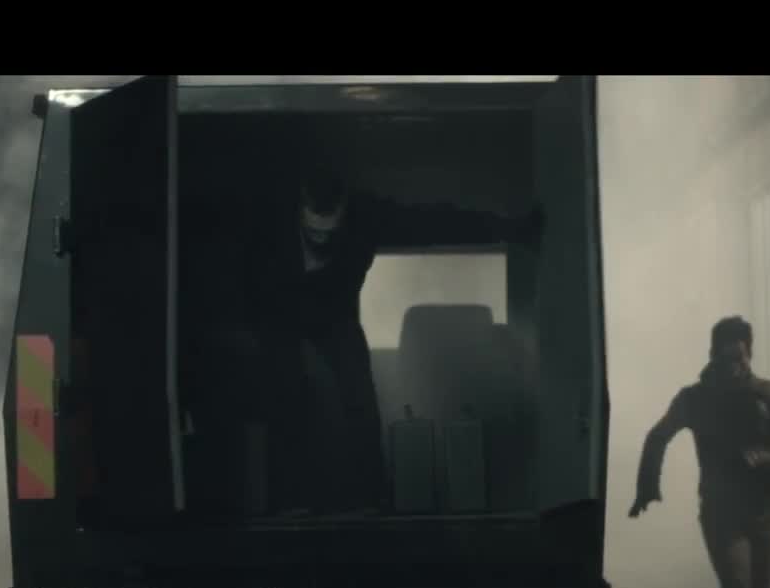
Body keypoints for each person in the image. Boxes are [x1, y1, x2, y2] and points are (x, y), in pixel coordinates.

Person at [221, 158, 541, 515]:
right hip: (277, 313)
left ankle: (370, 499)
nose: (321, 241)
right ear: (299, 212)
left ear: (344, 213)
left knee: (359, 396)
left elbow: (433, 222)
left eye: (330, 234)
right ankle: (287, 503)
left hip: (334, 314)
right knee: (283, 392)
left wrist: (508, 229)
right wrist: (241, 325)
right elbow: (235, 265)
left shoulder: (367, 216)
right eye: (313, 234)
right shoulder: (269, 220)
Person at [629, 316, 770, 588]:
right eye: (726, 359)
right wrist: (647, 487)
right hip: (721, 514)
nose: (733, 367)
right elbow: (657, 436)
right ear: (713, 356)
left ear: (749, 355)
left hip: (765, 513)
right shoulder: (695, 398)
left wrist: (768, 458)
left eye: (739, 358)